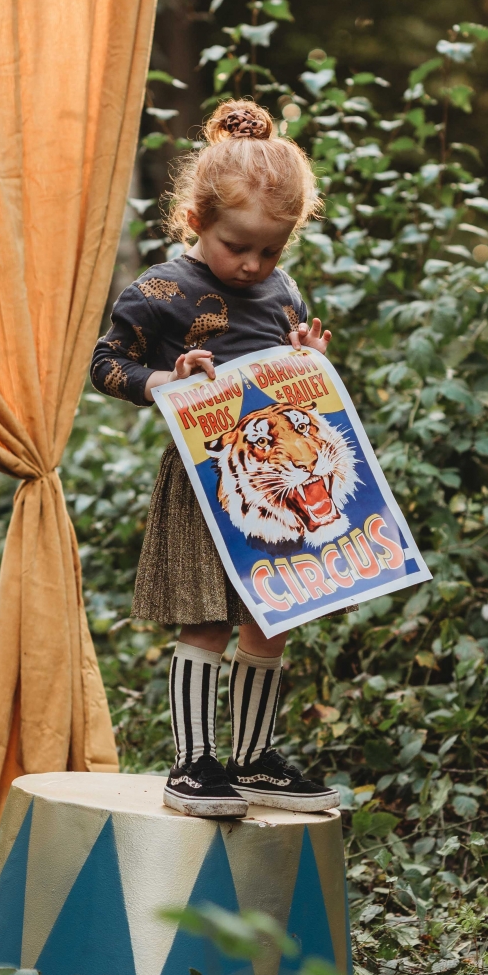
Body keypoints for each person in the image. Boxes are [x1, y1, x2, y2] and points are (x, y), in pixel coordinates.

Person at [91, 99, 341, 819]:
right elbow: (106, 365)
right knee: (205, 619)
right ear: (197, 220)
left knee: (274, 614)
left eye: (272, 250)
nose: (255, 264)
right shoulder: (161, 290)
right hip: (206, 480)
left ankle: (255, 759)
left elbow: (292, 381)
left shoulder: (280, 289)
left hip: (279, 482)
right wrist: (161, 380)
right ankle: (194, 763)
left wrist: (309, 363)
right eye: (241, 248)